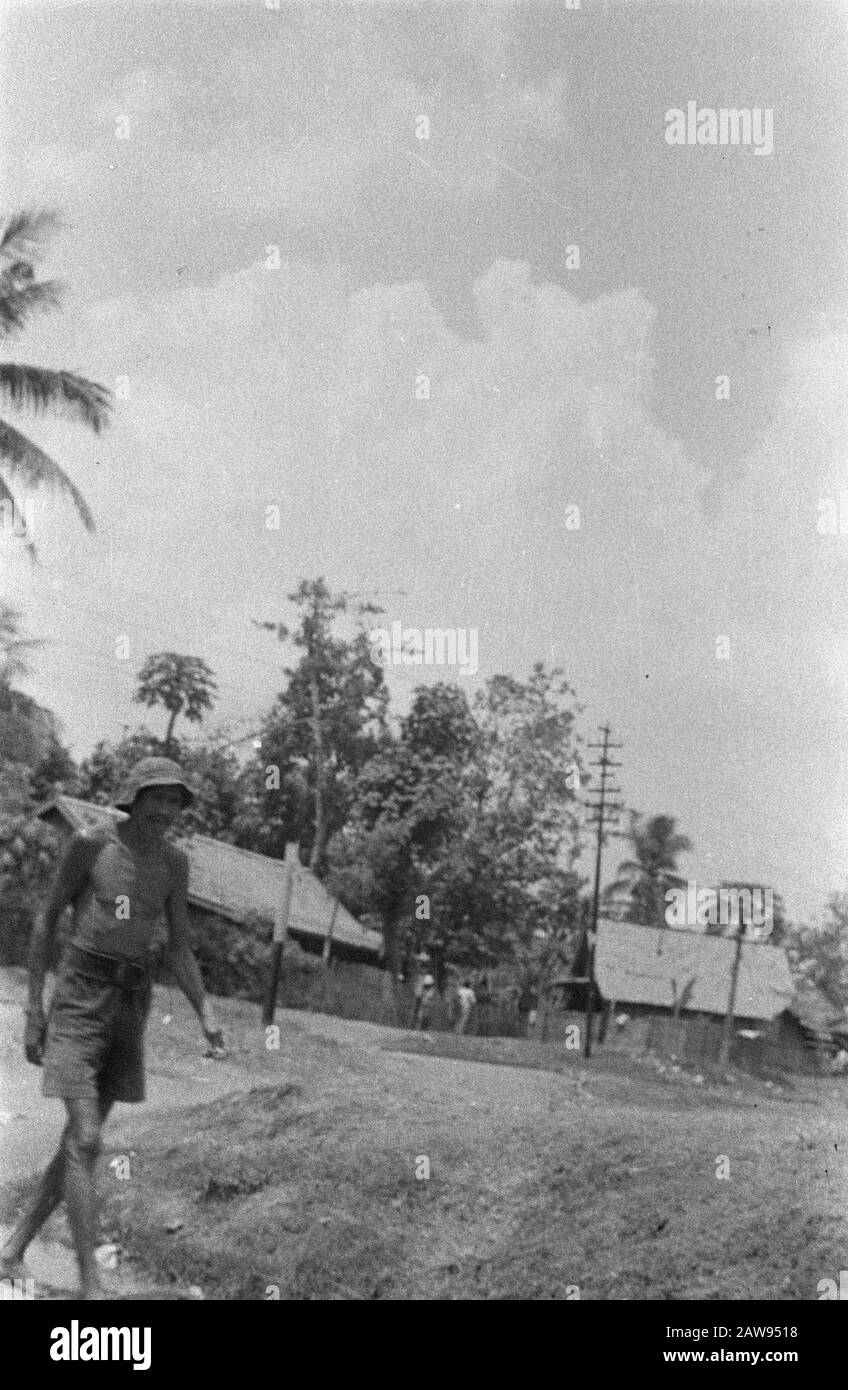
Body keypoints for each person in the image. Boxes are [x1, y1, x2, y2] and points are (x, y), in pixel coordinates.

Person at [0, 757, 224, 1300]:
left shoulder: (173, 864)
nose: (165, 810)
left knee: (81, 1141)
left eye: (175, 801)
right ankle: (91, 1286)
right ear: (134, 797)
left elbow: (178, 946)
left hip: (131, 1002)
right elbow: (47, 919)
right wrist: (34, 1008)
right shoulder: (90, 846)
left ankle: (12, 1250)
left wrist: (207, 1014)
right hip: (79, 994)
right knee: (88, 1137)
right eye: (157, 797)